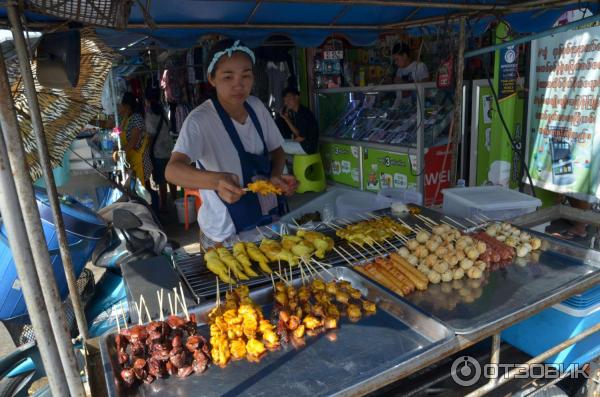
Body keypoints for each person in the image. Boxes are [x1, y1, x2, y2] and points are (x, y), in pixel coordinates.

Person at [166, 39, 297, 246]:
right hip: (223, 235)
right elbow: (172, 171)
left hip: (266, 226)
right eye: (228, 76)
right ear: (212, 79)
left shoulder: (256, 107)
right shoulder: (200, 120)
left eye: (246, 75)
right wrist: (217, 181)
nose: (239, 84)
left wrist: (275, 176)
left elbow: (277, 150)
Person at [145, 88, 177, 211]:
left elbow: (150, 135)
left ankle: (163, 205)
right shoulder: (163, 111)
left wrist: (148, 151)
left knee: (161, 180)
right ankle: (175, 201)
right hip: (168, 149)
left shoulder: (150, 115)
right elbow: (169, 126)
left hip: (157, 152)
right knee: (171, 178)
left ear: (147, 100)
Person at [116, 92, 153, 188]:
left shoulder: (136, 118)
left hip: (140, 161)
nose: (120, 108)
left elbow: (133, 141)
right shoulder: (126, 118)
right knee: (137, 189)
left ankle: (155, 203)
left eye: (121, 105)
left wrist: (121, 154)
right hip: (131, 159)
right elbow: (117, 131)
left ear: (127, 106)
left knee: (144, 190)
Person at [276, 87, 319, 155]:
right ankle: (289, 163)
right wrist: (286, 118)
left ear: (297, 97)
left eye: (289, 99)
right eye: (285, 100)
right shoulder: (296, 112)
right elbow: (298, 134)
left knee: (277, 147)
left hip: (308, 147)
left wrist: (295, 139)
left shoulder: (303, 113)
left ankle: (284, 164)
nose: (287, 103)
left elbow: (300, 137)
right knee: (278, 142)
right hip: (304, 144)